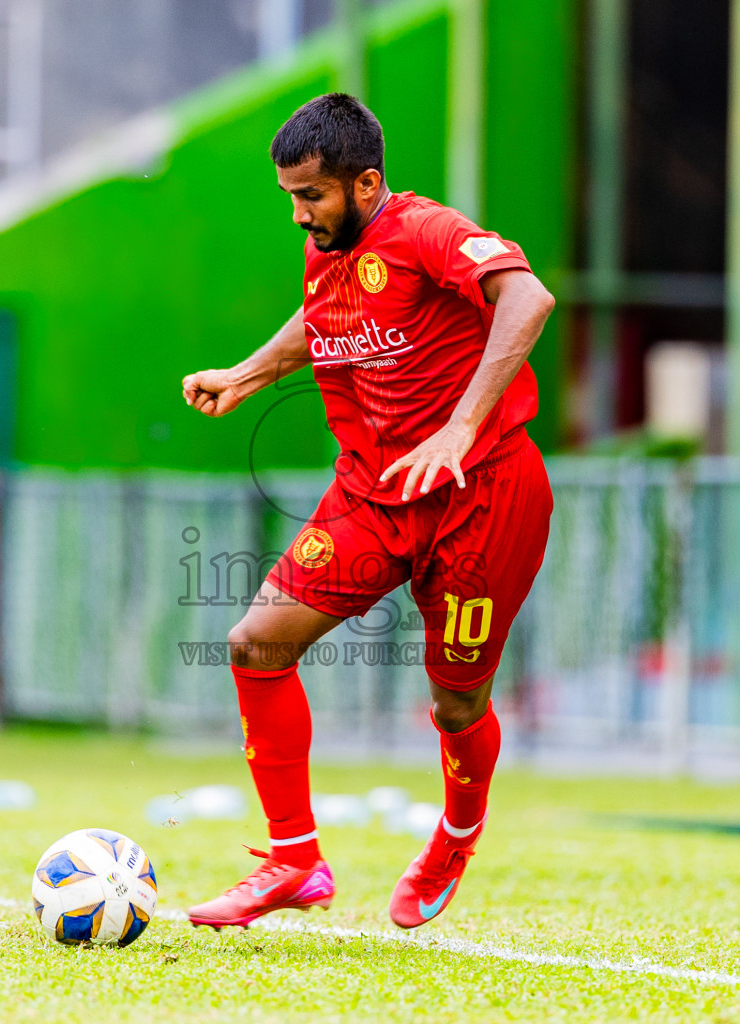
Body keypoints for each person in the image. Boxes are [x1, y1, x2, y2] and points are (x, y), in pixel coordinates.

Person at [181, 94, 557, 929]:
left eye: (310, 196)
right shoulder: (330, 247)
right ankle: (293, 861)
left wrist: (461, 427)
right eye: (289, 196)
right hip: (373, 494)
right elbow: (320, 324)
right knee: (255, 642)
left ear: (366, 183)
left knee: (456, 702)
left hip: (483, 494)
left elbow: (528, 301)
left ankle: (457, 831)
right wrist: (245, 374)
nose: (297, 215)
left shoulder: (425, 230)